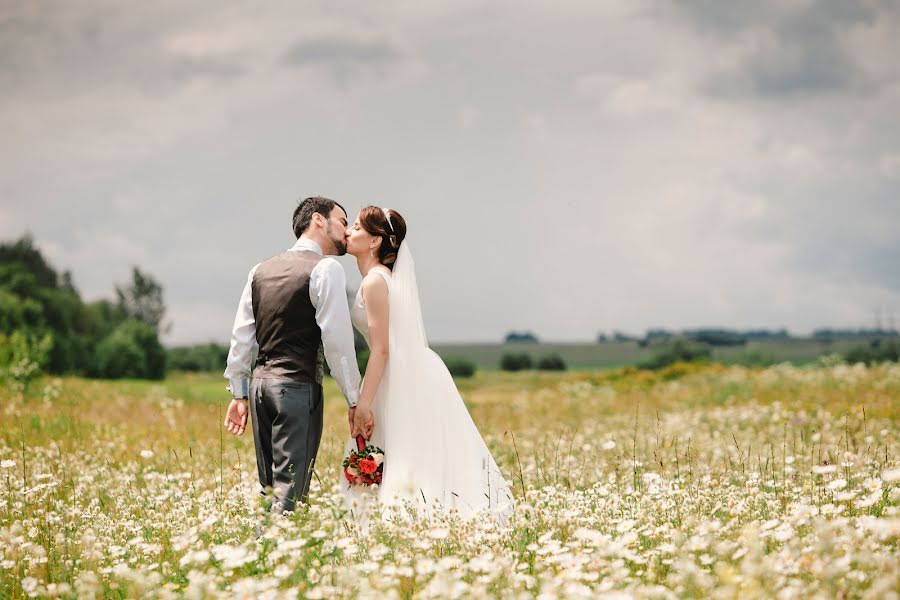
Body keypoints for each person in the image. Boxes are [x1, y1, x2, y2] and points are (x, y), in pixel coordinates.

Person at [342, 206, 514, 524]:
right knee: (410, 449)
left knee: (404, 450)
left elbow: (381, 350)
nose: (348, 232)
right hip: (407, 370)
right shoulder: (381, 279)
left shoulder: (375, 282)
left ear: (375, 241)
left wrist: (363, 404)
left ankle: (407, 521)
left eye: (356, 227)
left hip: (395, 374)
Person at [223, 196, 369, 513]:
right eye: (343, 222)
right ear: (318, 219)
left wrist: (239, 393)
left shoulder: (259, 270)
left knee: (269, 492)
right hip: (297, 388)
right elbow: (338, 342)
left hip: (260, 390)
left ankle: (263, 556)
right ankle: (280, 557)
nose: (347, 233)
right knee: (290, 495)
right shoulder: (326, 269)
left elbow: (242, 337)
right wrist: (355, 399)